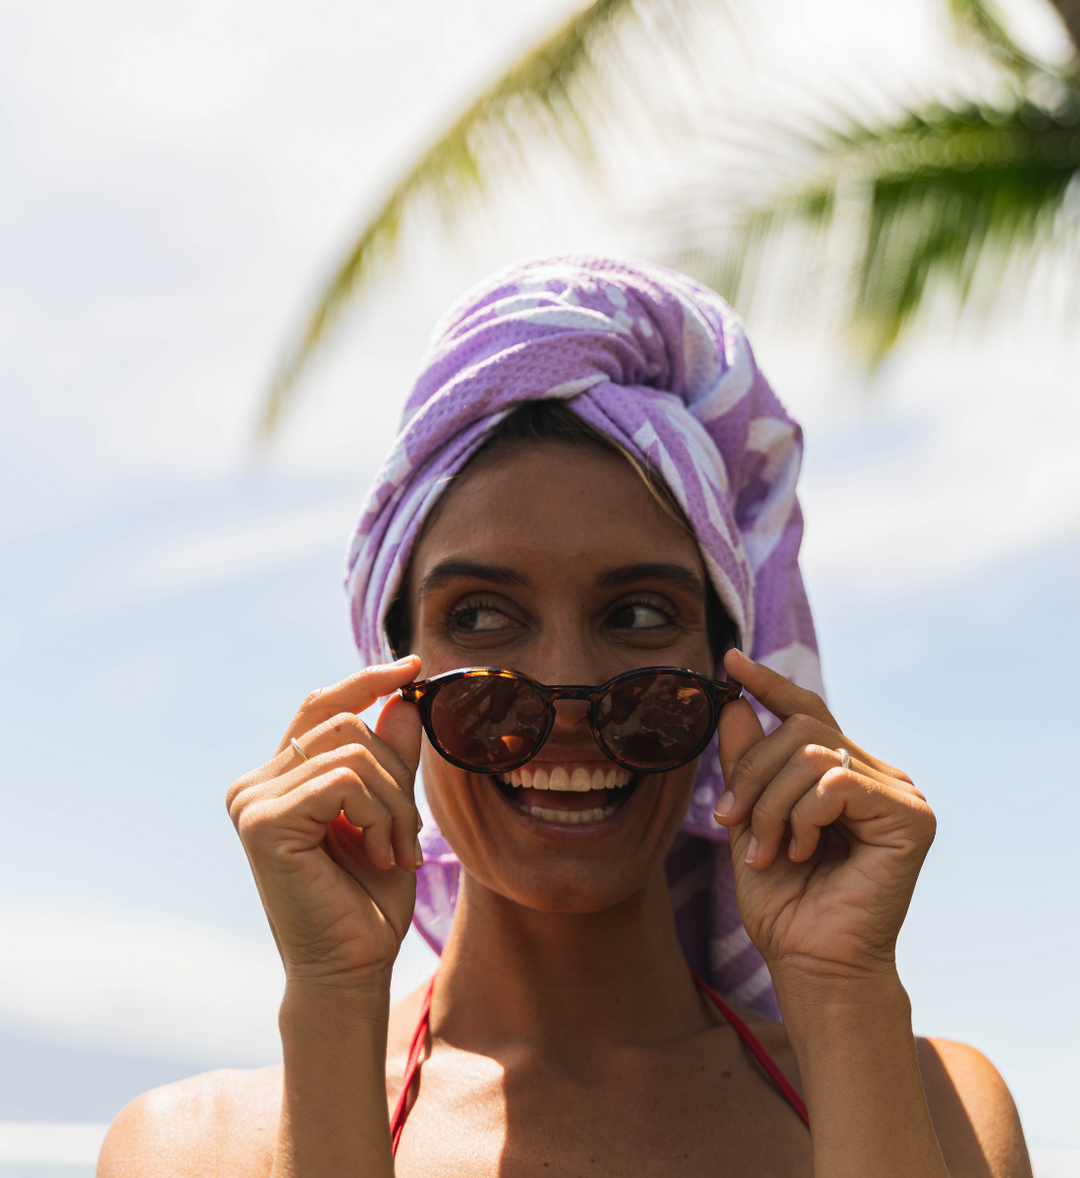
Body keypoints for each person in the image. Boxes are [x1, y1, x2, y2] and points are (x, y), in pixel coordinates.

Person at [98, 255, 1033, 1178]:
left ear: (729, 676)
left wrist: (843, 997)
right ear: (390, 682)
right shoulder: (198, 1149)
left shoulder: (930, 1109)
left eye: (636, 614)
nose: (567, 694)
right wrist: (333, 1000)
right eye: (481, 616)